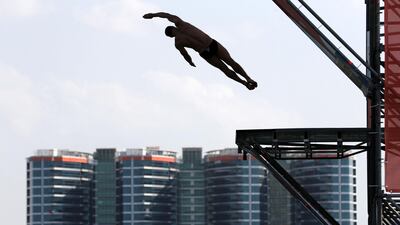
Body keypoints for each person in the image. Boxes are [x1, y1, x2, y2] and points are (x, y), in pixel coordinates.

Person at [143, 12, 258, 90]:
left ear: (170, 36)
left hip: (205, 53)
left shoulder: (177, 42)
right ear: (173, 27)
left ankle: (244, 83)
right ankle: (248, 78)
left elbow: (185, 55)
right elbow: (167, 15)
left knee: (224, 69)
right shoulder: (181, 24)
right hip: (210, 43)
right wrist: (153, 15)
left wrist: (190, 62)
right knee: (230, 62)